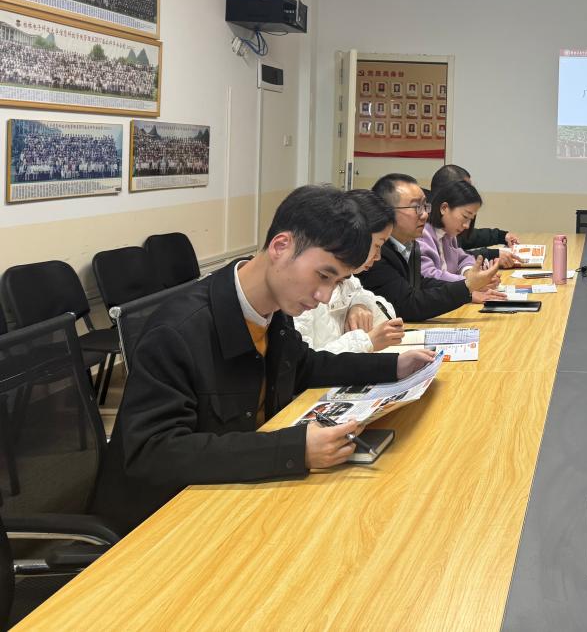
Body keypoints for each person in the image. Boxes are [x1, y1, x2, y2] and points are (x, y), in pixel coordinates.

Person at [93, 185, 438, 535]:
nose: (323, 296)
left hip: (238, 497)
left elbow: (304, 366)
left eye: (336, 282)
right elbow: (153, 453)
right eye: (323, 275)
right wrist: (297, 449)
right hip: (164, 524)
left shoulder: (273, 311)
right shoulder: (178, 330)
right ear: (281, 246)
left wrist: (393, 366)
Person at [359, 173, 505, 320]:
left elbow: (421, 283)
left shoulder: (409, 245)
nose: (425, 215)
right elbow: (409, 304)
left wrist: (468, 288)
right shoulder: (374, 253)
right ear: (387, 211)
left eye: (425, 206)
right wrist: (467, 287)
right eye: (417, 207)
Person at [293, 189, 406, 353]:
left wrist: (360, 303)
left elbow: (387, 316)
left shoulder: (348, 279)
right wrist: (366, 342)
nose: (378, 256)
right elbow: (305, 361)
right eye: (377, 245)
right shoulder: (301, 287)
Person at [429, 163, 520, 263]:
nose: (467, 226)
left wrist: (501, 236)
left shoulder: (448, 230)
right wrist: (493, 255)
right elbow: (458, 259)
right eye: (465, 189)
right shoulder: (425, 232)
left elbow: (466, 245)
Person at [416, 179, 502, 282]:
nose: (467, 225)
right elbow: (429, 275)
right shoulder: (422, 234)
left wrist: (469, 273)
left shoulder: (448, 234)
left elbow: (463, 258)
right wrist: (468, 282)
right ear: (444, 208)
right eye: (465, 216)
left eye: (471, 219)